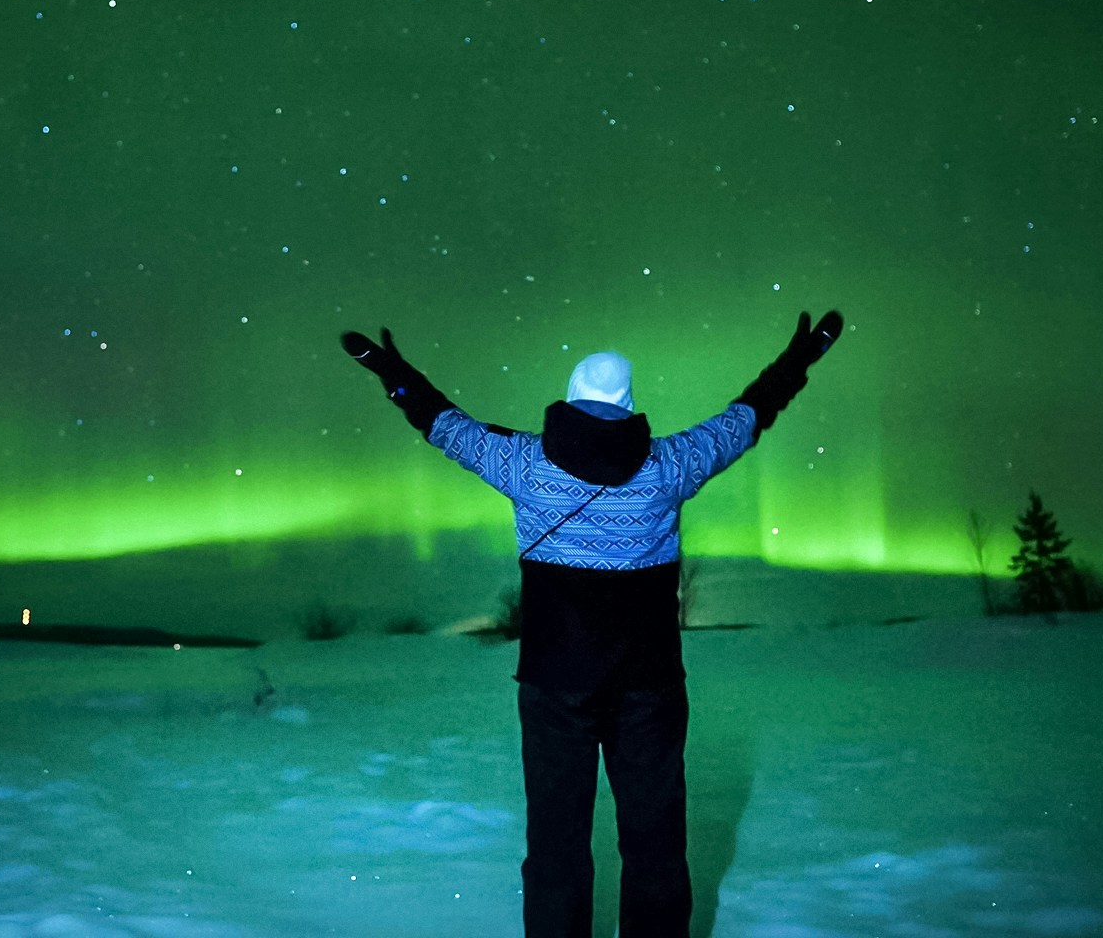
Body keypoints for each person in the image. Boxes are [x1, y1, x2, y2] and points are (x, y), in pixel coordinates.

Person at [340, 310, 844, 938]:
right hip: (649, 690)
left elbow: (444, 423)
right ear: (630, 403)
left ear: (571, 396)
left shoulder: (524, 465)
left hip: (556, 689)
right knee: (656, 848)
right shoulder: (669, 466)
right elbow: (749, 414)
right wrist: (801, 358)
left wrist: (390, 369)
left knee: (556, 850)